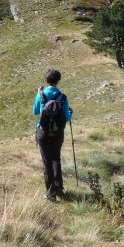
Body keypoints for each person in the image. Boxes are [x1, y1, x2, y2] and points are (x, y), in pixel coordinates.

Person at [32, 69, 72, 200]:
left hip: (42, 132)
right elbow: (67, 117)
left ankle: (50, 193)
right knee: (56, 159)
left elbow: (35, 112)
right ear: (58, 81)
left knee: (47, 161)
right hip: (57, 133)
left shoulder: (41, 94)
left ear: (47, 80)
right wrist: (70, 112)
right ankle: (59, 188)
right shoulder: (63, 97)